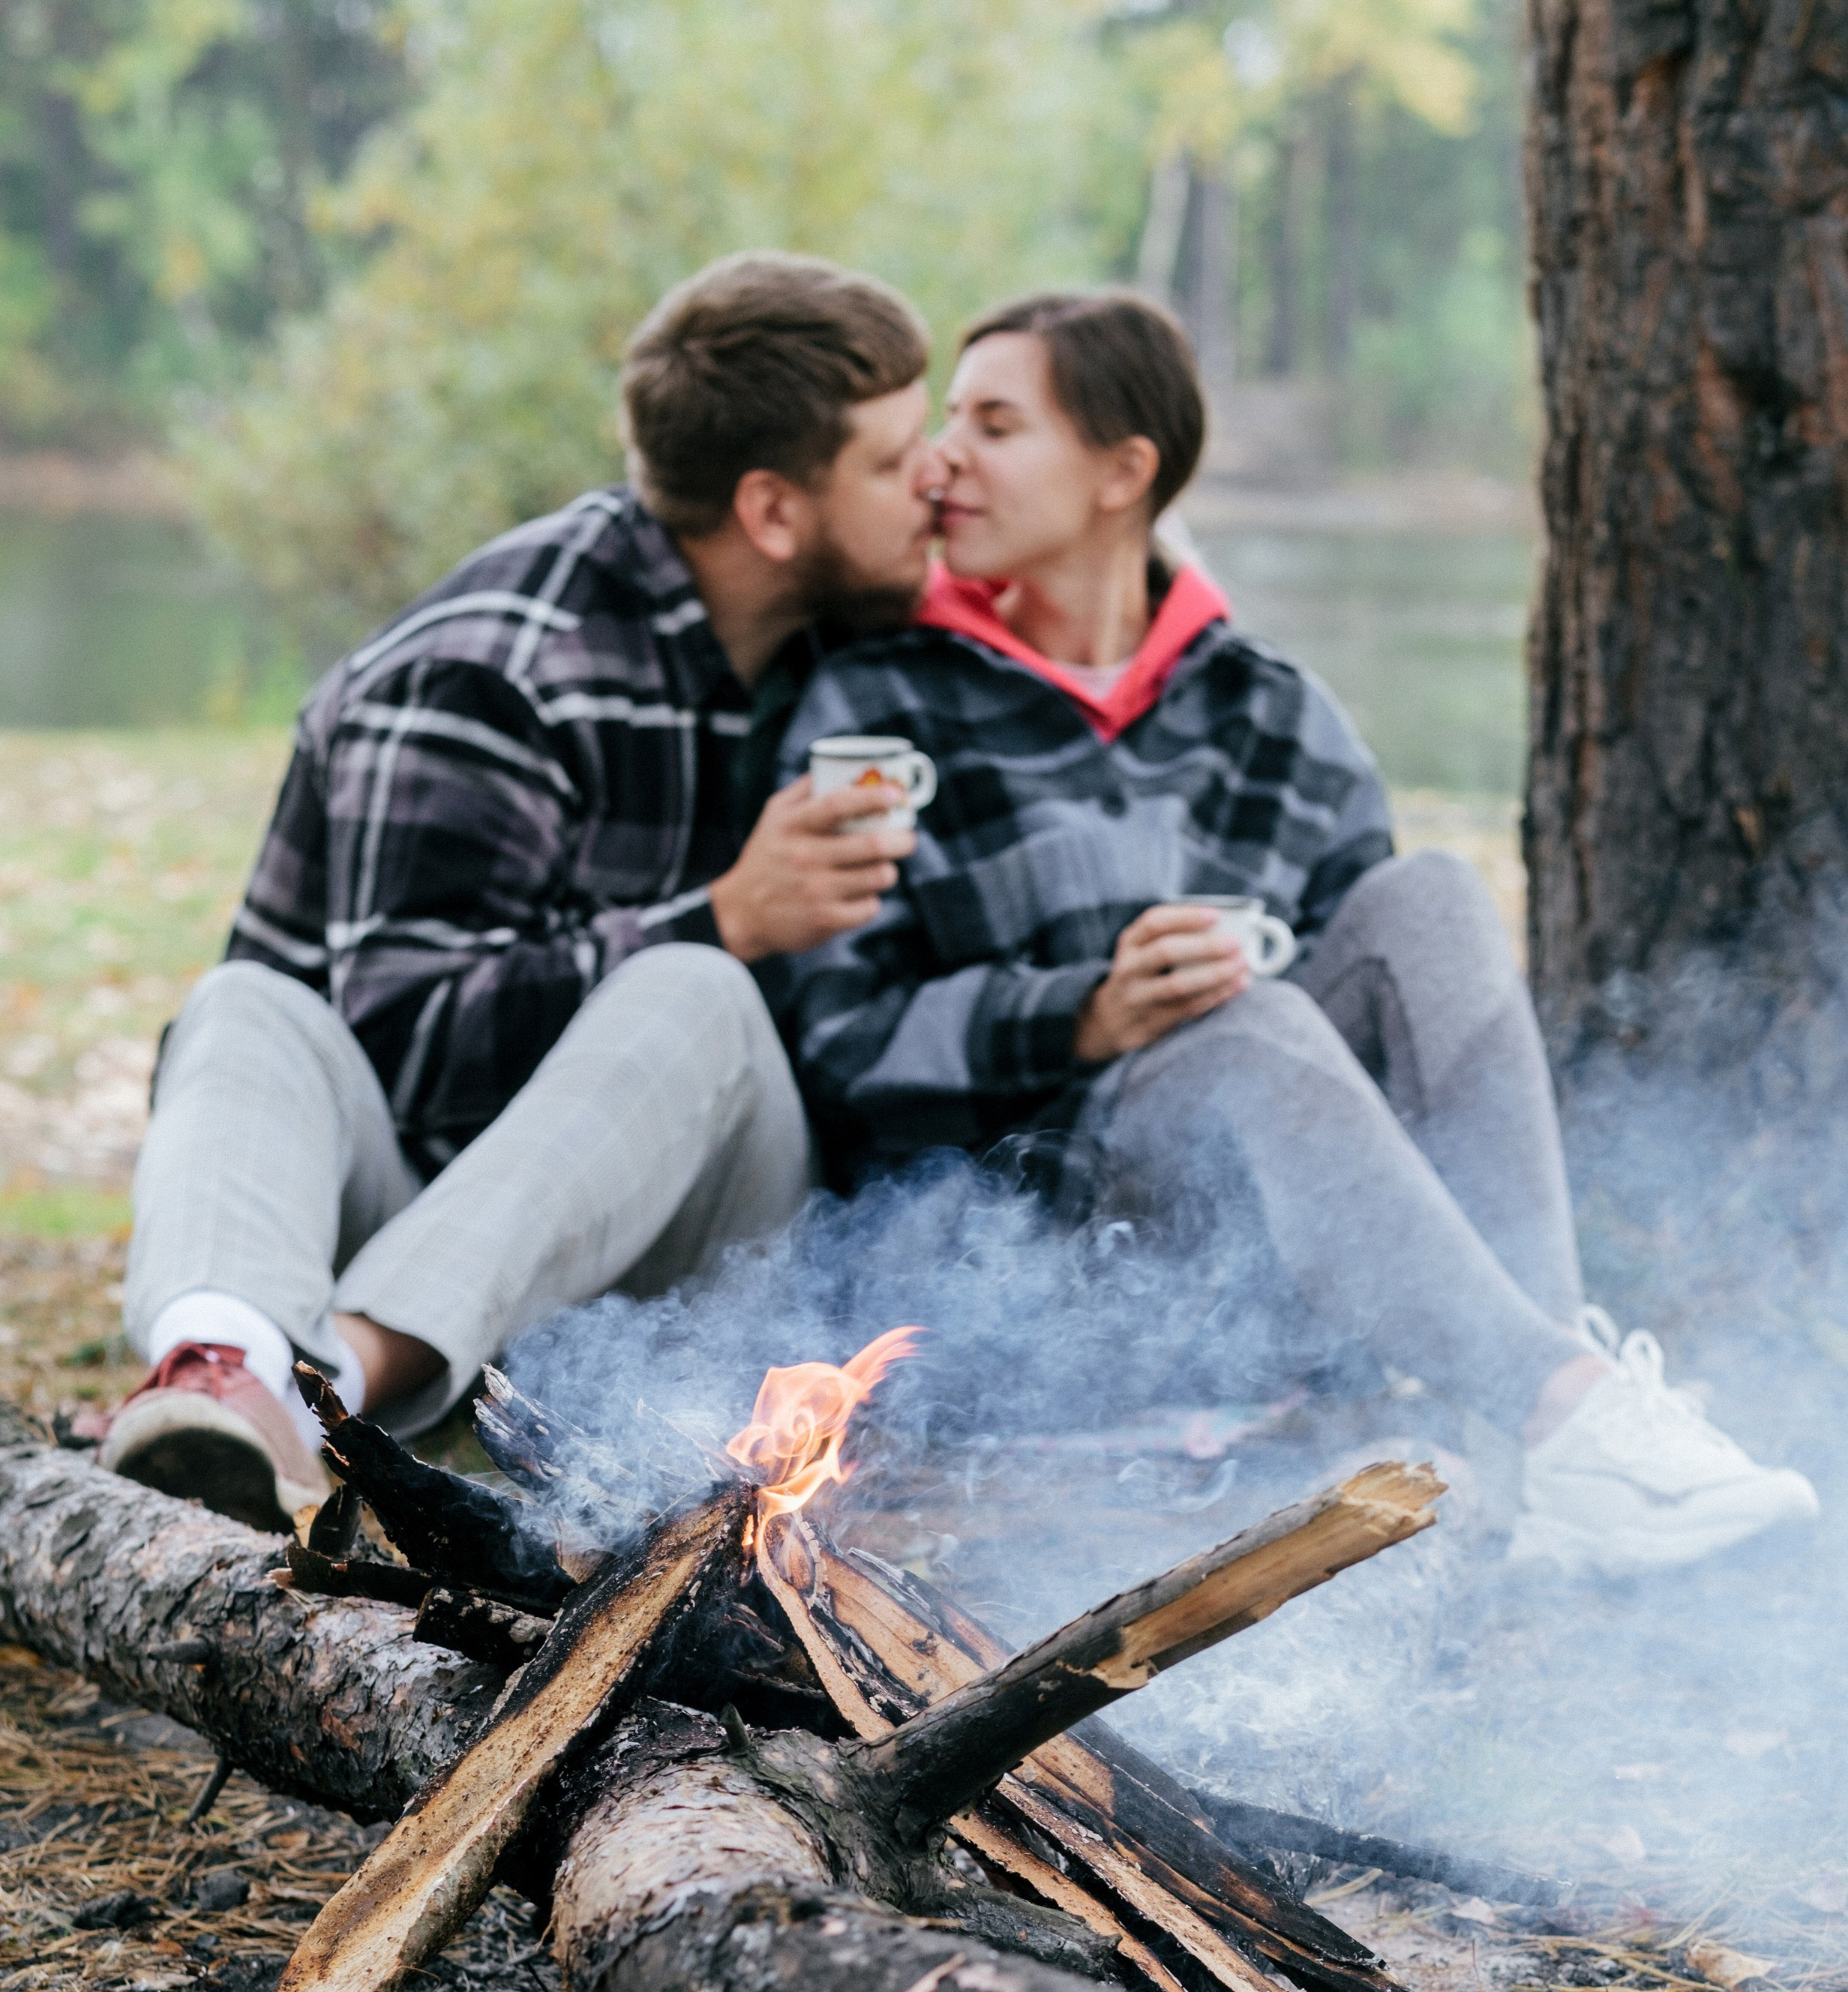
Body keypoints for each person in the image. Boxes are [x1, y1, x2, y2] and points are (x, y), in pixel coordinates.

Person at [764, 288, 1818, 1574]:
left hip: (1261, 1272)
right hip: (1028, 1269)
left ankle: (1556, 1442)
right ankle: (1575, 1412)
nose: (945, 460)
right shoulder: (876, 699)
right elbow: (838, 1036)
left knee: (1429, 897)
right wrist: (1082, 1013)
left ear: (1121, 471)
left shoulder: (1272, 710)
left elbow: (1383, 1059)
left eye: (995, 425)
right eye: (949, 424)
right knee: (1249, 1022)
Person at [96, 251, 938, 1529]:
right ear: (773, 512)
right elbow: (407, 1059)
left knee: (698, 991)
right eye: (895, 460)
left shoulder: (856, 629)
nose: (935, 481)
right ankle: (228, 1378)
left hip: (689, 1280)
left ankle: (318, 1383)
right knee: (247, 1008)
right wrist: (723, 917)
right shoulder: (489, 672)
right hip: (435, 1232)